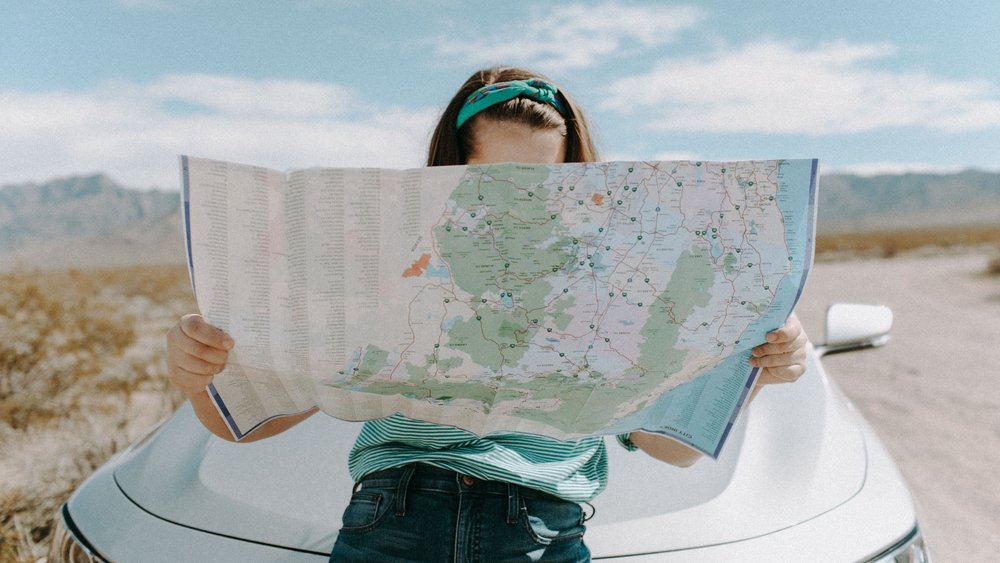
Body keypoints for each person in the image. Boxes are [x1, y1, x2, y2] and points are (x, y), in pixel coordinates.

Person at [166, 66, 809, 562]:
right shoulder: (389, 261)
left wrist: (752, 373)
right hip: (393, 516)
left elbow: (669, 450)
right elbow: (246, 425)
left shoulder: (620, 276)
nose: (511, 201)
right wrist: (201, 376)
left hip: (541, 529)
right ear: (447, 171)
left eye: (539, 182)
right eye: (488, 178)